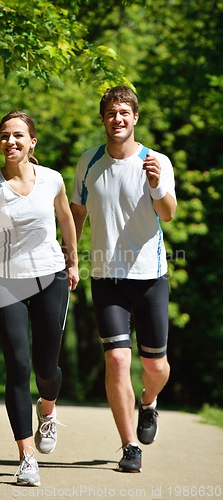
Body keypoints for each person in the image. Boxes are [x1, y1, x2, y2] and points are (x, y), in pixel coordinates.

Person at [70, 86, 177, 473]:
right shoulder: (89, 161)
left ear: (135, 118)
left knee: (156, 367)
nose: (118, 118)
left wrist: (156, 185)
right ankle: (130, 445)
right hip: (106, 278)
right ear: (104, 120)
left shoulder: (155, 160)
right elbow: (77, 211)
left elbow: (168, 213)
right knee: (116, 360)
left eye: (124, 112)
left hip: (150, 278)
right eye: (111, 113)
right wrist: (70, 255)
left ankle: (148, 403)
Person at [0, 111, 79, 486]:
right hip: (5, 282)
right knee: (18, 366)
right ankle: (26, 458)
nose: (11, 141)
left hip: (50, 276)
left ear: (33, 141)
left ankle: (46, 411)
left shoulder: (52, 179)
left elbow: (66, 217)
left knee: (46, 367)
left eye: (19, 135)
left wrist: (73, 261)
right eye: (4, 135)